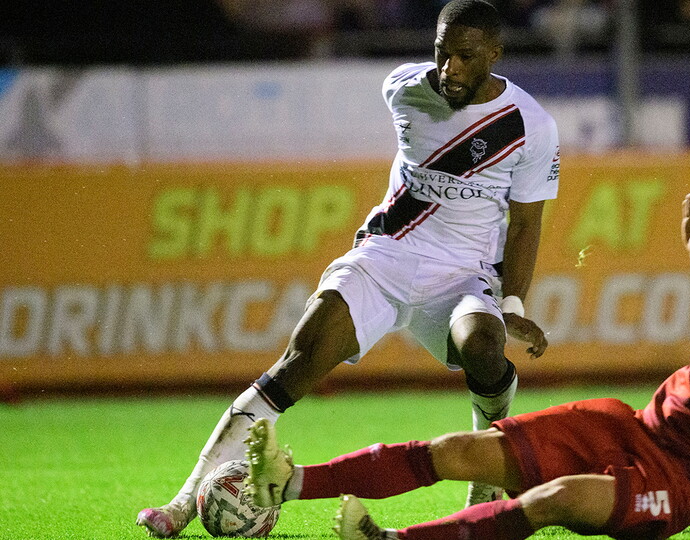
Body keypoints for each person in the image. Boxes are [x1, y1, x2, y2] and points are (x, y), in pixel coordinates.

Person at [137, 0, 559, 536]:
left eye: (465, 57)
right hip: (385, 256)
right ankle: (180, 504)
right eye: (442, 52)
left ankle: (488, 471)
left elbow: (525, 227)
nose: (449, 68)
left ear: (494, 55)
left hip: (464, 273)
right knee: (299, 359)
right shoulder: (404, 88)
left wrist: (511, 305)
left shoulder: (530, 125)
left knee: (482, 346)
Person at [242, 192, 690, 540]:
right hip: (629, 427)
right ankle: (290, 482)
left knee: (555, 498)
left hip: (679, 484)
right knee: (460, 449)